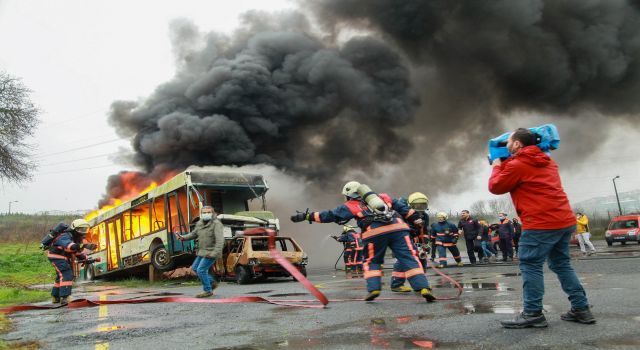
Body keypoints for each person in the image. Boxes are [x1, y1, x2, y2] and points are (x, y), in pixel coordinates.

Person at [489, 127, 595, 328]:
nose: (506, 145)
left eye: (508, 142)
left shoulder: (518, 164)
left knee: (530, 264)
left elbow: (496, 187)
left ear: (518, 144)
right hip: (564, 219)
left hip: (540, 223)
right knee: (561, 264)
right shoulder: (548, 162)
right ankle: (581, 309)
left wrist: (496, 166)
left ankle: (532, 313)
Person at [291, 181, 435, 302]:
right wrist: (415, 218)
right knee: (409, 258)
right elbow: (403, 208)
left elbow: (329, 215)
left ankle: (373, 289)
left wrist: (307, 216)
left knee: (372, 262)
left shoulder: (350, 205)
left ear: (349, 195)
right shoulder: (383, 197)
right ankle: (423, 288)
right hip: (398, 229)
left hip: (374, 232)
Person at [47, 219, 96, 305]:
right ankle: (65, 297)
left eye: (85, 229)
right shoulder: (65, 236)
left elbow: (75, 252)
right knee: (67, 274)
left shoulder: (75, 237)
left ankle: (55, 297)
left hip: (62, 257)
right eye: (81, 229)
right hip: (57, 256)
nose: (83, 232)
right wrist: (85, 245)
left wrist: (85, 258)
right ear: (74, 229)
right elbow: (71, 247)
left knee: (60, 276)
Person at [178, 206, 224, 298]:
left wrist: (215, 253)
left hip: (211, 251)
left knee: (201, 270)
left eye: (208, 212)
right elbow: (194, 234)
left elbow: (220, 240)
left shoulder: (216, 224)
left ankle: (208, 290)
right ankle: (211, 283)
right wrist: (183, 238)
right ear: (201, 214)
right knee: (195, 268)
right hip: (202, 251)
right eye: (204, 212)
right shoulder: (200, 223)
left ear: (213, 213)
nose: (206, 214)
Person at [390, 192, 430, 293]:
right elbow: (402, 229)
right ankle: (397, 285)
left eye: (423, 205)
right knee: (403, 261)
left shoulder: (425, 216)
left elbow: (424, 231)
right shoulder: (402, 214)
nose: (420, 208)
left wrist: (425, 243)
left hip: (417, 242)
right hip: (404, 240)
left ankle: (422, 284)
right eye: (417, 205)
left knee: (422, 259)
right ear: (410, 205)